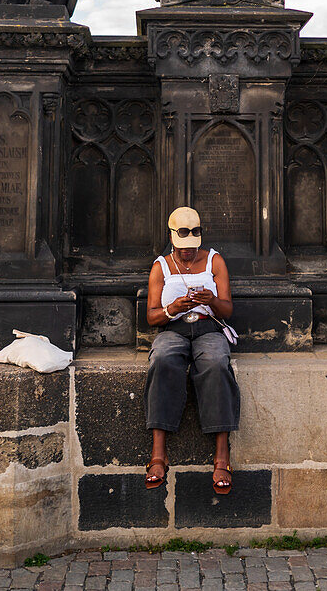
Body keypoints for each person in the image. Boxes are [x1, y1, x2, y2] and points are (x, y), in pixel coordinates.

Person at [144, 206, 239, 494]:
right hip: (174, 330)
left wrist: (210, 300)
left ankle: (222, 455)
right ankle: (158, 454)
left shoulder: (214, 261)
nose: (188, 252)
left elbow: (228, 309)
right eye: (182, 247)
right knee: (162, 359)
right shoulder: (160, 266)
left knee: (215, 363)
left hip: (208, 328)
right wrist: (171, 309)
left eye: (192, 247)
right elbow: (151, 316)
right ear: (172, 238)